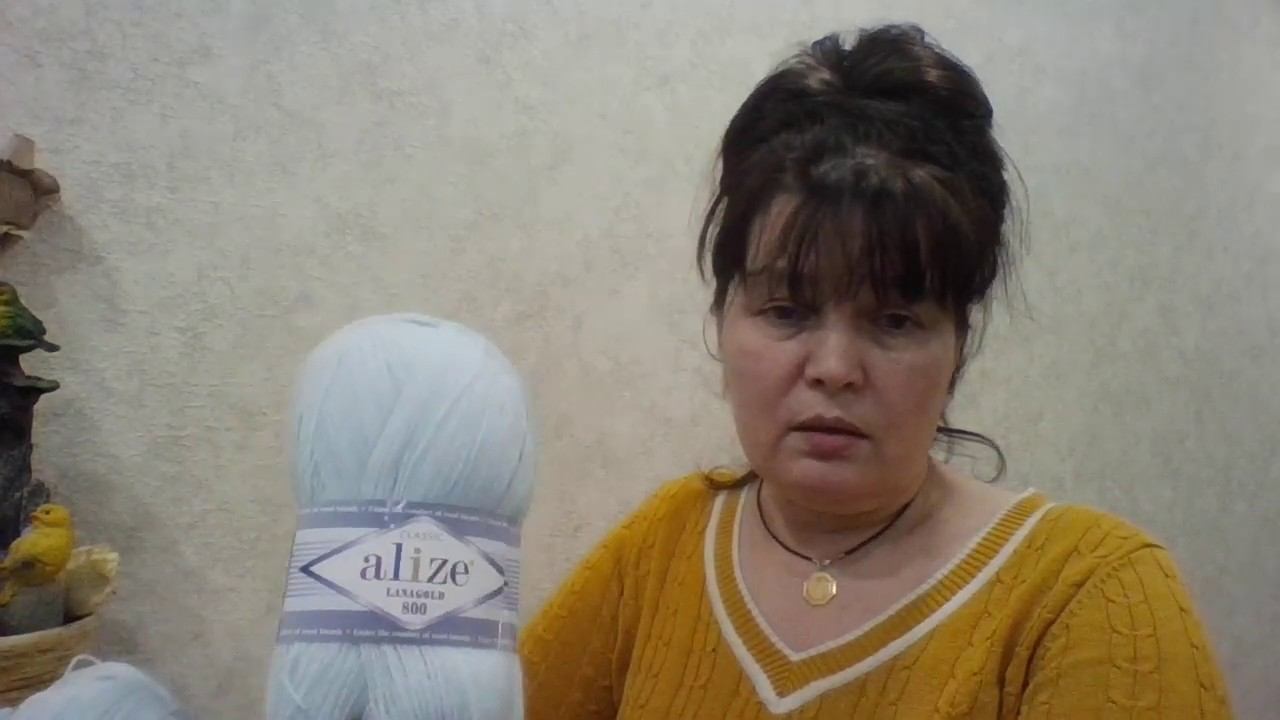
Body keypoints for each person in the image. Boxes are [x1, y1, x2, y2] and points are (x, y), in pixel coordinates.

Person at [518, 23, 1233, 719]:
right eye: (786, 311)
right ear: (722, 318)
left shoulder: (1093, 592)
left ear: (959, 344)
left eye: (894, 321)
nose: (835, 370)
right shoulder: (664, 544)